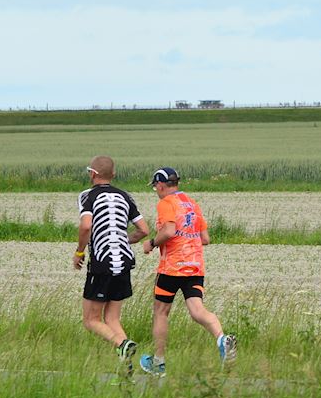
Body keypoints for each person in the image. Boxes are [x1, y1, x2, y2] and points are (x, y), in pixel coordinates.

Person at [137, 167, 235, 376]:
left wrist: (152, 243)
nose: (156, 190)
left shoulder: (166, 203)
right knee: (198, 311)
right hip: (195, 266)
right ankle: (221, 339)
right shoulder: (192, 203)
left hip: (171, 268)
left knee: (161, 312)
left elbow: (170, 231)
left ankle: (158, 362)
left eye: (155, 186)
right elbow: (205, 239)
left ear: (161, 185)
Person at [75, 156, 150, 370]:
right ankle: (126, 364)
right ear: (113, 175)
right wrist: (122, 240)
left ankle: (122, 344)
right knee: (112, 318)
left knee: (91, 320)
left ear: (92, 174)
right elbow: (144, 230)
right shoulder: (125, 196)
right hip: (124, 262)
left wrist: (79, 251)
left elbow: (85, 226)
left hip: (102, 263)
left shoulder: (87, 196)